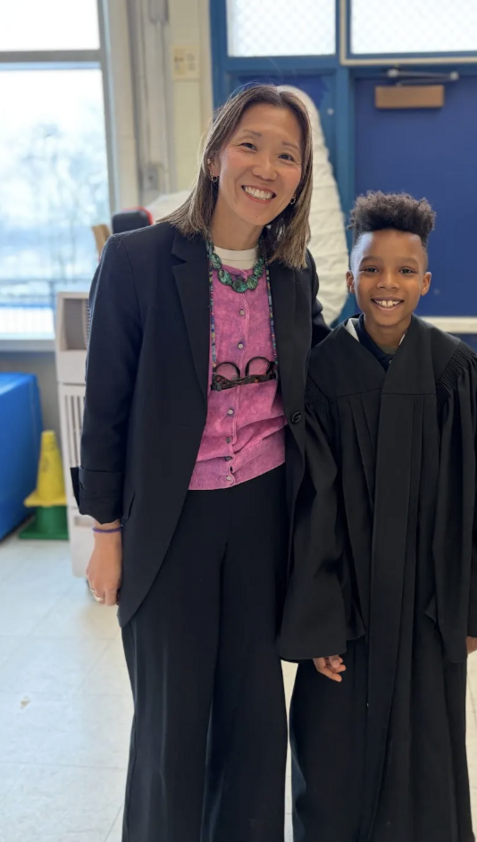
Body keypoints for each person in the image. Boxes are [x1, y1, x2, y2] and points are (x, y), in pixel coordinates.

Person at [73, 85, 329, 842]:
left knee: (253, 722)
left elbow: (319, 379)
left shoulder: (293, 268)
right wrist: (107, 534)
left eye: (288, 154)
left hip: (260, 518)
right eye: (250, 144)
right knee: (172, 725)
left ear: (301, 176)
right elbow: (107, 408)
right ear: (216, 154)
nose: (266, 167)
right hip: (169, 524)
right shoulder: (139, 261)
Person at [278, 191, 477, 842]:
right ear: (351, 277)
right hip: (345, 615)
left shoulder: (457, 372)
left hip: (427, 610)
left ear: (426, 281)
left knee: (426, 757)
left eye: (405, 270)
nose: (388, 284)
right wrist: (315, 621)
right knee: (330, 760)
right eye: (373, 269)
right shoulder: (319, 377)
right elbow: (302, 506)